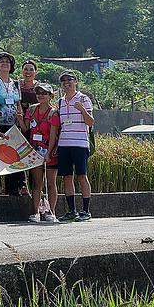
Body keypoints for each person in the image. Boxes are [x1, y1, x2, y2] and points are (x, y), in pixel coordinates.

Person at [17, 82, 59, 222]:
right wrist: (20, 119)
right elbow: (25, 128)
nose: (41, 95)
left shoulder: (54, 112)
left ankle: (51, 212)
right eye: (38, 93)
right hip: (34, 152)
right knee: (36, 184)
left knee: (51, 183)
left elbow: (53, 135)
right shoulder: (32, 109)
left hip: (50, 153)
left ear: (51, 96)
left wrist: (48, 153)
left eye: (44, 93)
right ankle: (35, 212)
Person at [56, 70, 94, 222]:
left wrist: (83, 110)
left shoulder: (84, 99)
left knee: (82, 176)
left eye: (69, 79)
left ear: (75, 81)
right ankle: (72, 211)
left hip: (80, 143)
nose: (66, 82)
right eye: (63, 80)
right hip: (64, 144)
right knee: (67, 177)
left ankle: (86, 211)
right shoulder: (59, 102)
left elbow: (90, 122)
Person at [0, 52, 25, 196]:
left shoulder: (16, 84)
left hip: (13, 126)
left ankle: (12, 189)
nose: (4, 64)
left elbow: (18, 103)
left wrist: (20, 120)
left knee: (12, 156)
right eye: (1, 61)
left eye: (7, 62)